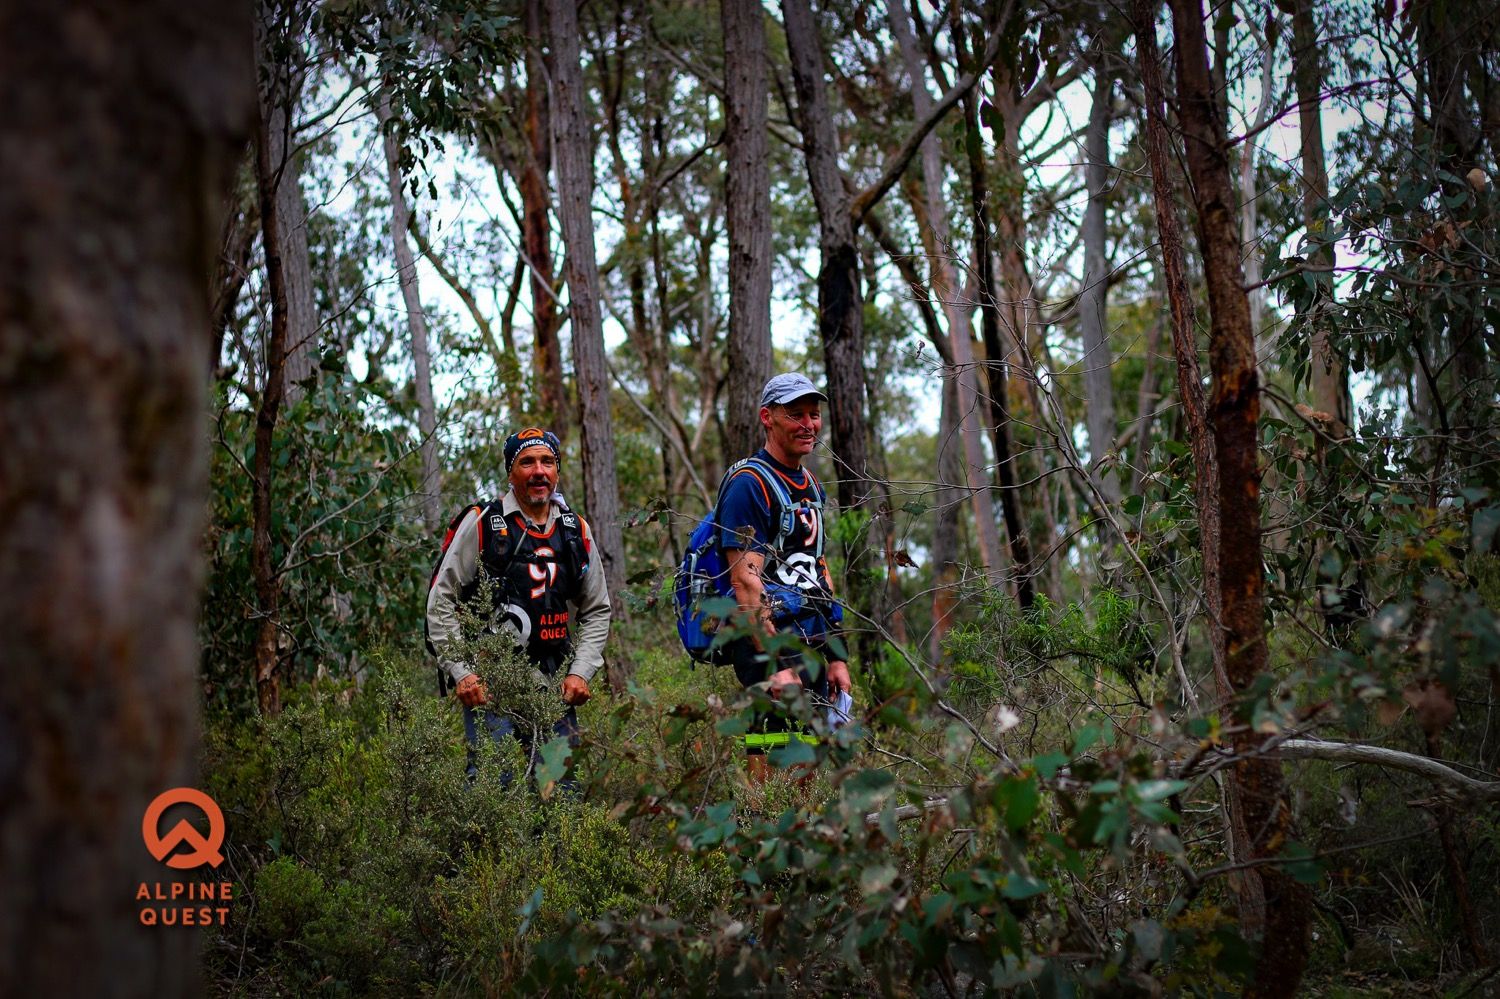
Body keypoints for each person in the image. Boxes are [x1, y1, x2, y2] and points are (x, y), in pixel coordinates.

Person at [426, 427, 611, 781]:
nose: (538, 471)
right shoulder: (483, 523)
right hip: (491, 686)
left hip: (554, 686)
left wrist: (580, 670)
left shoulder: (575, 530)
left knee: (560, 793)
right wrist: (462, 673)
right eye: (526, 462)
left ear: (557, 471)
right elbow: (441, 599)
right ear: (511, 472)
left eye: (547, 462)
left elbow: (597, 608)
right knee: (492, 789)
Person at [717, 374, 852, 782]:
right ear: (767, 418)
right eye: (795, 415)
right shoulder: (748, 485)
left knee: (806, 771)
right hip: (767, 648)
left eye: (814, 414)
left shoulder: (809, 485)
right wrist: (778, 664)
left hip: (809, 641)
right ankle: (756, 842)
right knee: (771, 776)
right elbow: (745, 583)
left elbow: (817, 569)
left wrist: (836, 655)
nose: (808, 424)